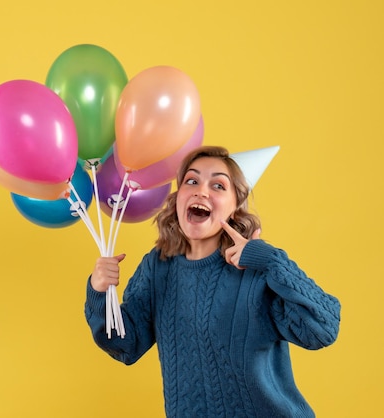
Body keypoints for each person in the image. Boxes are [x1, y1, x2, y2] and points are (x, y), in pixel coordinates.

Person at [84, 145, 341, 417]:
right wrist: (100, 293)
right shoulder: (157, 267)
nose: (201, 191)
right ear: (178, 197)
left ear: (235, 207)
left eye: (218, 186)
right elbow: (126, 345)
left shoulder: (258, 270)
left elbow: (323, 329)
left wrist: (269, 260)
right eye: (191, 181)